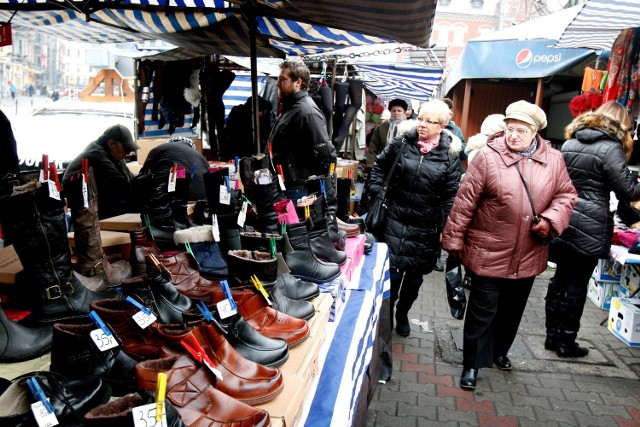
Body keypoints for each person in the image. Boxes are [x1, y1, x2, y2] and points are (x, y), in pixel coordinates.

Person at [441, 100, 577, 391]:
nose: (513, 135)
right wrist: (453, 239)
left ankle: (500, 350)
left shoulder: (554, 160)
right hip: (489, 249)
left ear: (535, 132)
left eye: (521, 130)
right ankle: (471, 365)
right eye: (509, 129)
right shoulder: (488, 158)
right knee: (482, 310)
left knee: (512, 310)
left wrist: (551, 220)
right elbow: (465, 203)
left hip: (529, 250)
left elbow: (566, 195)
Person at [546, 101, 640, 358]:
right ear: (620, 124)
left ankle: (551, 336)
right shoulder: (611, 148)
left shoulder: (571, 142)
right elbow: (628, 191)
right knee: (577, 283)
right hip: (592, 222)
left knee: (559, 280)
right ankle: (566, 342)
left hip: (564, 217)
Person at [368, 99, 462, 337]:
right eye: (421, 119)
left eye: (429, 122)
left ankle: (403, 313)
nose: (422, 125)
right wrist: (377, 190)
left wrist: (445, 227)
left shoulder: (450, 155)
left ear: (442, 126)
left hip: (425, 225)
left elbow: (450, 195)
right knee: (393, 274)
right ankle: (387, 317)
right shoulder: (403, 142)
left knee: (415, 279)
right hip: (394, 217)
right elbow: (379, 166)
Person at [268, 59, 336, 201]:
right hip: (286, 185)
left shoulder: (307, 112)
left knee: (295, 224)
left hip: (298, 190)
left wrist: (319, 192)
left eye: (282, 79)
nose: (277, 83)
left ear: (298, 82)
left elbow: (327, 156)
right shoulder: (291, 108)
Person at [62, 124, 139, 219]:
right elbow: (124, 186)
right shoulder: (97, 156)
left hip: (96, 201)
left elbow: (130, 178)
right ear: (111, 144)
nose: (128, 153)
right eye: (126, 148)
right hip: (85, 208)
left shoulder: (112, 153)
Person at [138, 136, 209, 201]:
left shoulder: (160, 148)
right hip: (200, 196)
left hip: (170, 198)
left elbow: (143, 173)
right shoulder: (200, 156)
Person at [221, 96, 271, 161]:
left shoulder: (236, 111)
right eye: (261, 111)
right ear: (257, 110)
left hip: (231, 153)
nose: (261, 114)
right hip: (245, 154)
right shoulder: (255, 121)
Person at [366, 98, 408, 171]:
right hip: (383, 163)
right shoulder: (381, 127)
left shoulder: (410, 128)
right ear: (390, 112)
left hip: (403, 166)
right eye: (393, 110)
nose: (396, 113)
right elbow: (373, 148)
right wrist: (370, 165)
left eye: (399, 111)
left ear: (404, 112)